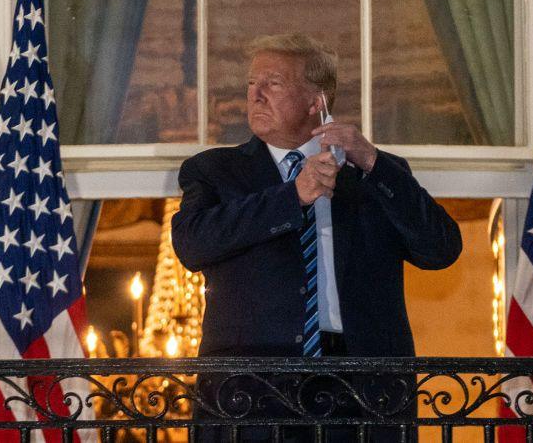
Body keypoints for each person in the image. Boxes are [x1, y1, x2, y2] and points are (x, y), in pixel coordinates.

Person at [171, 33, 463, 441]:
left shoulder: (374, 174)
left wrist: (375, 163)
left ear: (316, 101)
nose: (255, 96)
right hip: (250, 391)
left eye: (272, 84)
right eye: (251, 84)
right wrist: (292, 196)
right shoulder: (214, 170)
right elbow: (192, 244)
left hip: (363, 389)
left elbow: (441, 250)